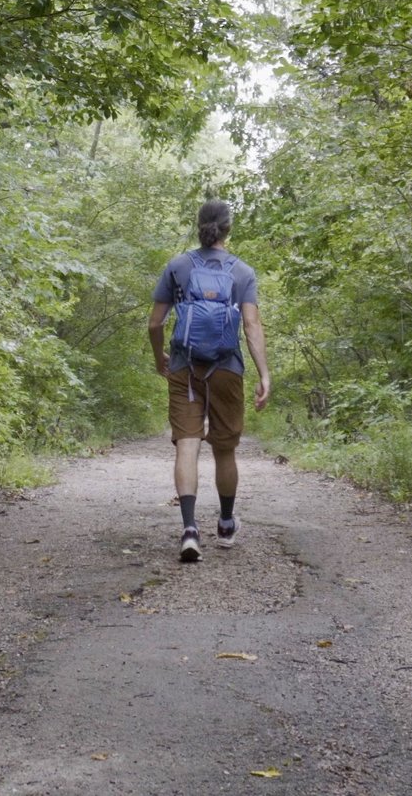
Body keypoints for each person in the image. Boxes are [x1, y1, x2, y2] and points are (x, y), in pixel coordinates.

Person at [147, 199, 269, 563]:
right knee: (225, 449)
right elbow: (251, 326)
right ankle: (226, 523)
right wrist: (264, 374)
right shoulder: (242, 272)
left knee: (187, 444)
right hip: (227, 368)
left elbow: (155, 324)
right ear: (228, 228)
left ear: (199, 225)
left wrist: (159, 359)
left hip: (184, 367)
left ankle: (189, 529)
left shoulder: (178, 266)